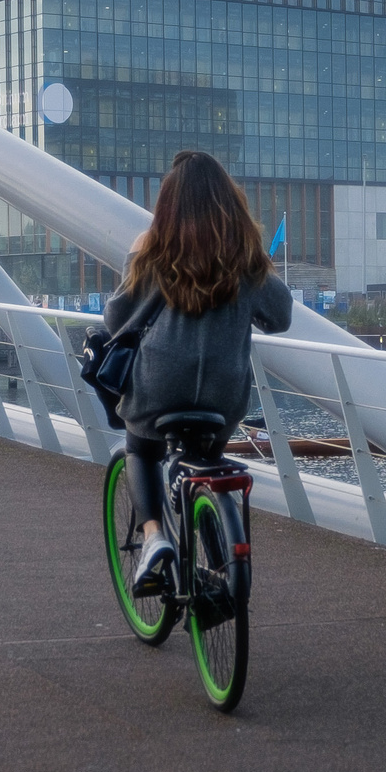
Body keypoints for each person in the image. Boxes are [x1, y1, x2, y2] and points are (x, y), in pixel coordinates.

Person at [96, 150, 294, 589]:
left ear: (166, 208)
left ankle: (152, 539)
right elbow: (280, 317)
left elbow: (115, 321)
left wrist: (135, 259)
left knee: (141, 448)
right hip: (224, 395)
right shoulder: (243, 259)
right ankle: (221, 566)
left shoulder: (155, 254)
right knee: (206, 460)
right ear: (230, 204)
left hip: (159, 388)